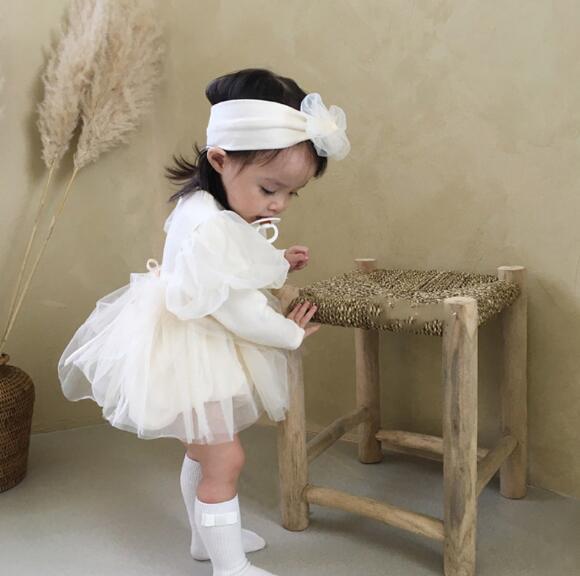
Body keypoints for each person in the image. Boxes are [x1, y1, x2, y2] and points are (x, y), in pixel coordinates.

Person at [58, 67, 350, 575]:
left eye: (291, 194)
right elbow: (236, 305)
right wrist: (288, 332)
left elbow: (236, 262)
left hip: (191, 344)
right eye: (270, 188)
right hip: (196, 347)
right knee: (224, 459)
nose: (278, 204)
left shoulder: (203, 204)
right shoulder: (211, 226)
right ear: (219, 159)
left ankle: (203, 538)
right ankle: (229, 567)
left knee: (204, 452)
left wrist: (278, 262)